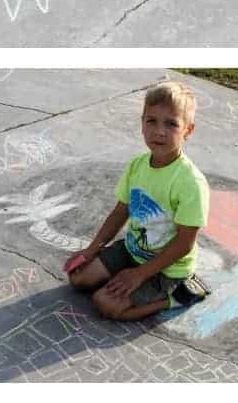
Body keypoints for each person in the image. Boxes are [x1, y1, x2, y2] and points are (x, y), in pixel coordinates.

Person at [67, 81, 210, 321]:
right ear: (142, 123)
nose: (159, 131)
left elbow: (184, 244)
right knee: (79, 277)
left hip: (167, 268)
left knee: (106, 304)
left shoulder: (191, 183)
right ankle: (125, 278)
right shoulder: (138, 165)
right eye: (151, 120)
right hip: (133, 249)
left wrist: (140, 274)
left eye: (171, 124)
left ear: (188, 130)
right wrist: (92, 250)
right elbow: (120, 212)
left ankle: (177, 297)